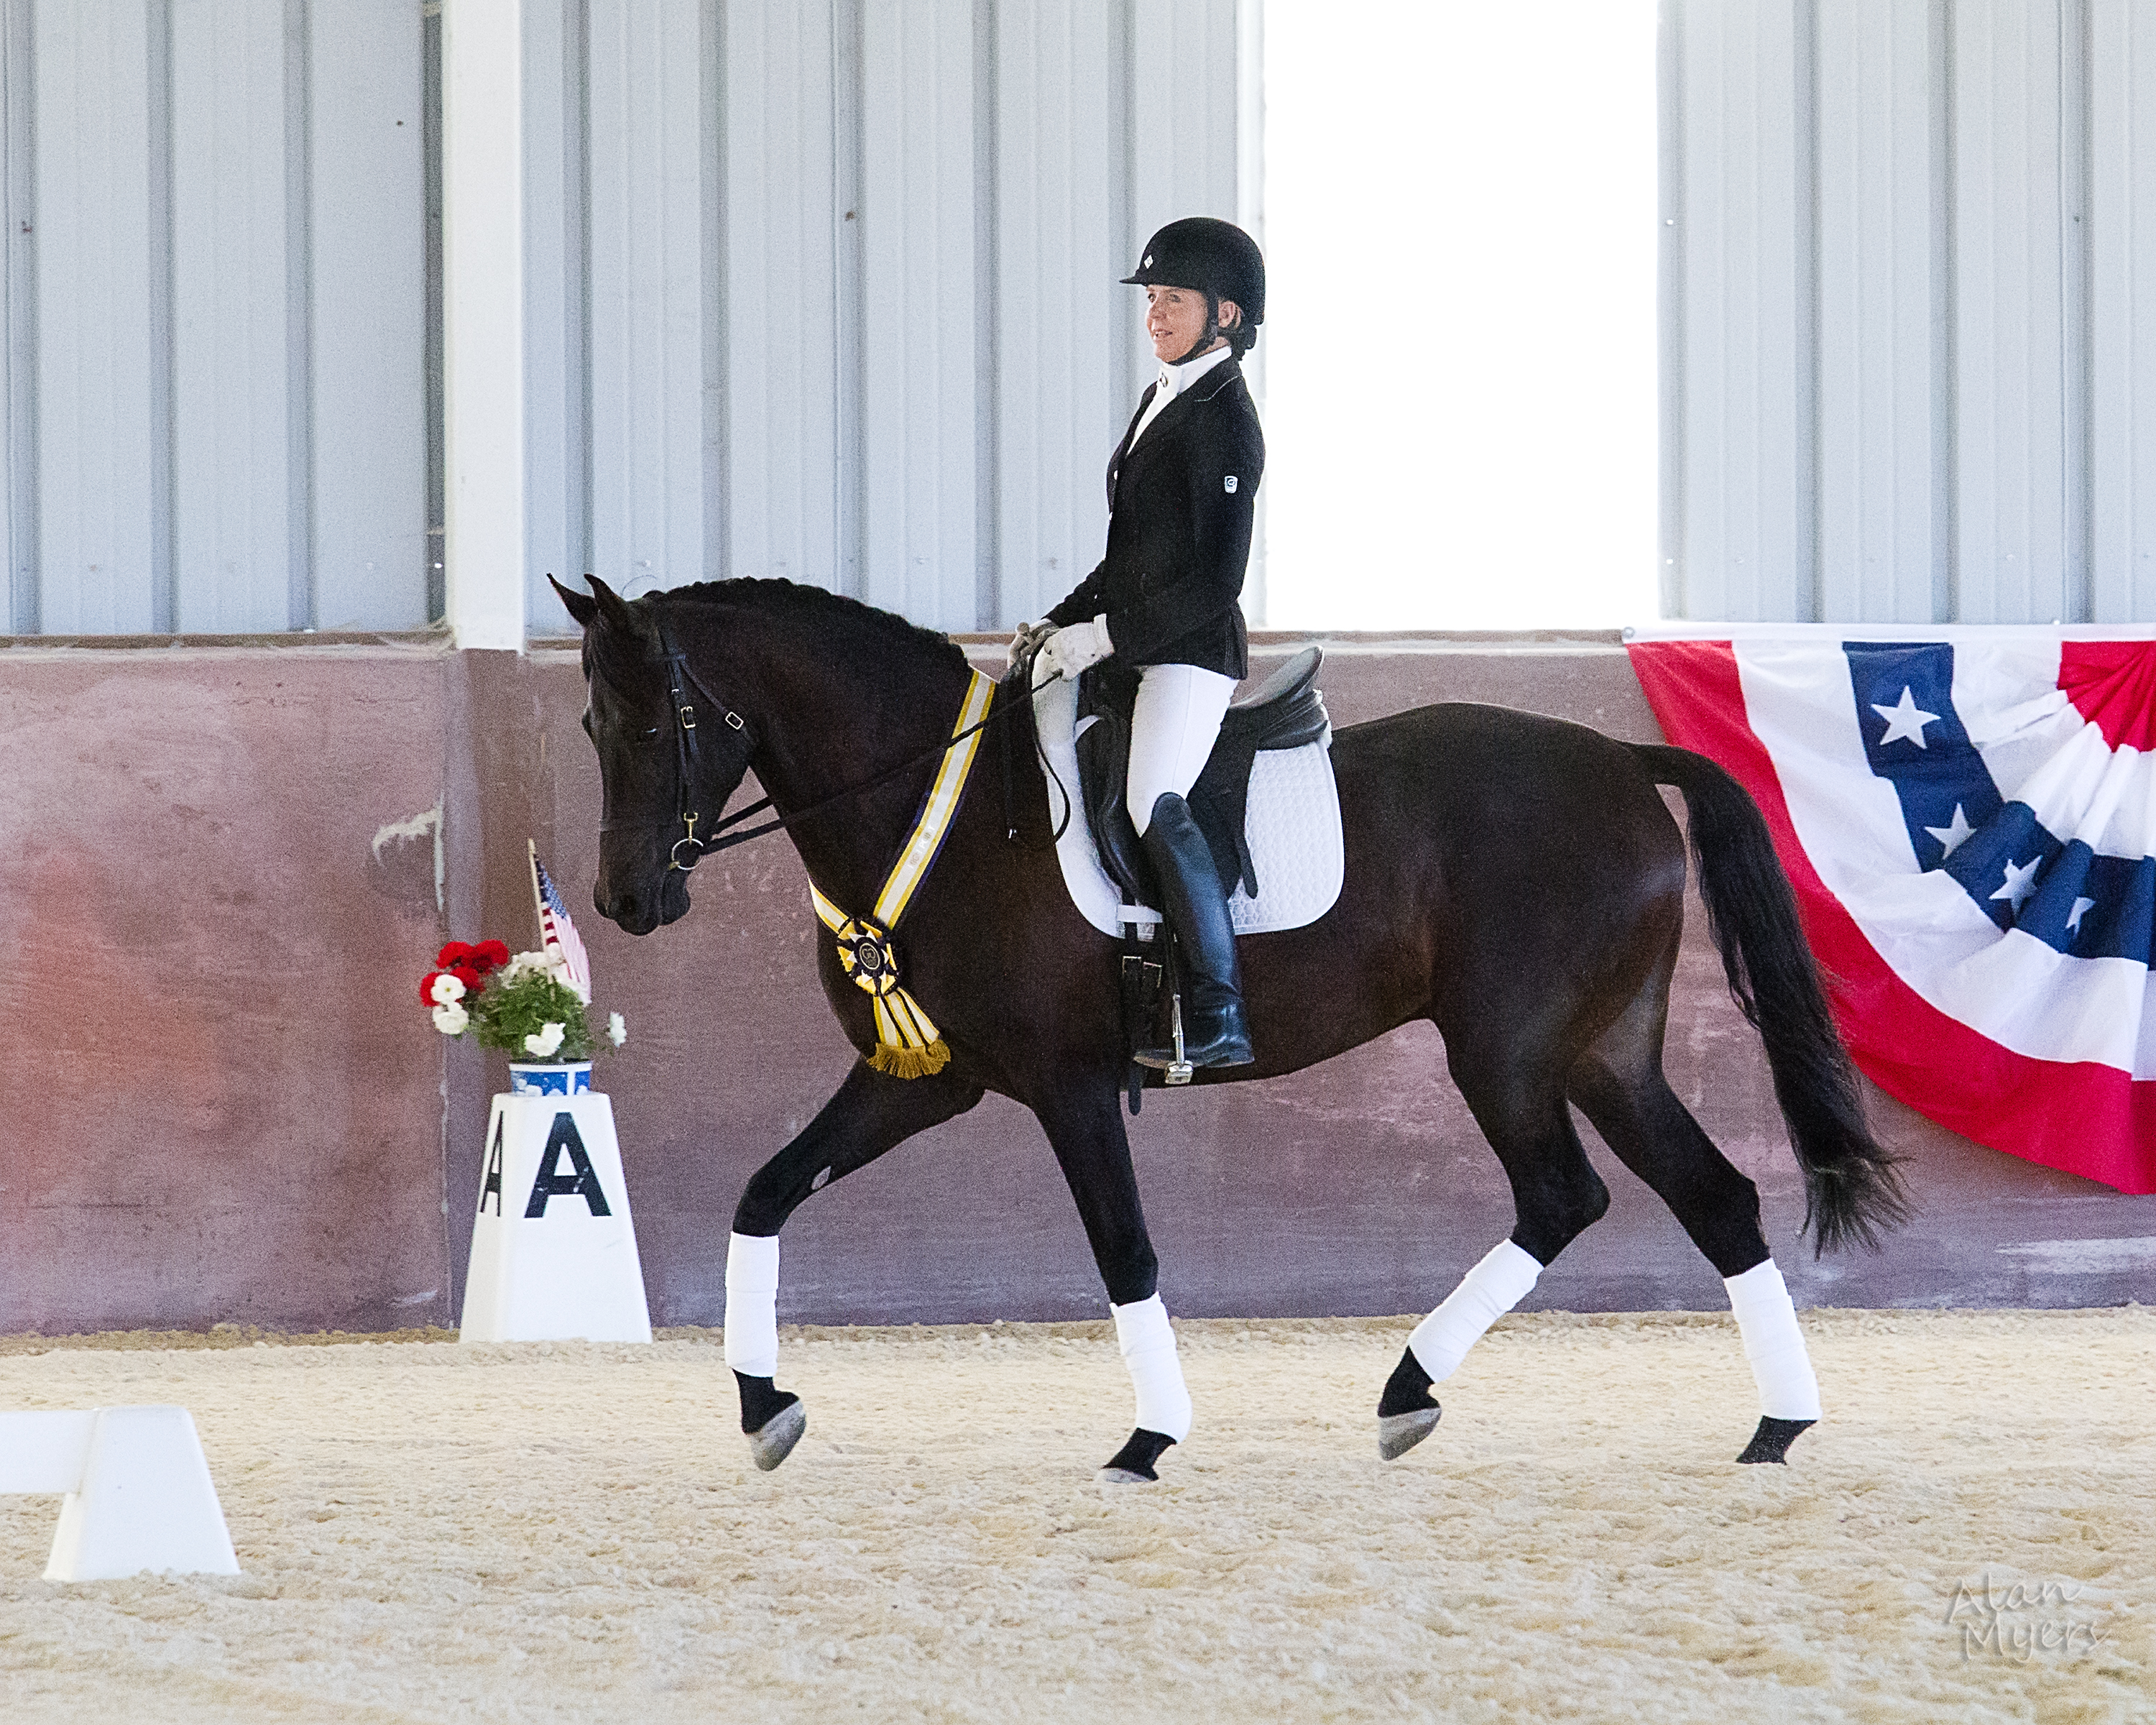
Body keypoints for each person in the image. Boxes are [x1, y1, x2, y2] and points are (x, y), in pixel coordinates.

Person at [1016, 216, 1266, 1071]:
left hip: (1191, 652)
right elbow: (1131, 555)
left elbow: (1212, 581)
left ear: (1225, 314)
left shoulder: (1226, 418)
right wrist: (1061, 620)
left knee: (1150, 795)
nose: (1155, 313)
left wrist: (1107, 636)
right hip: (1133, 642)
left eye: (1174, 299)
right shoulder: (1166, 395)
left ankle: (1218, 1006)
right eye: (1152, 298)